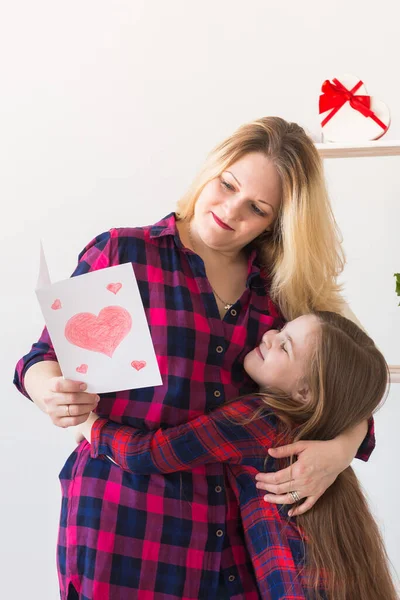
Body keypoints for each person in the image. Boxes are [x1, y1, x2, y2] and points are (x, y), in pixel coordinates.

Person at [13, 117, 375, 599]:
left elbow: (344, 393)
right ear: (213, 168)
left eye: (257, 208)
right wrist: (48, 391)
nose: (230, 210)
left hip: (240, 540)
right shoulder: (123, 253)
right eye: (227, 184)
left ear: (277, 221)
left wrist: (340, 450)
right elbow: (41, 358)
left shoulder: (286, 289)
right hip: (125, 530)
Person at [76, 311, 397, 600]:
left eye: (284, 346)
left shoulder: (256, 419)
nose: (269, 336)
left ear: (305, 392)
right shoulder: (322, 428)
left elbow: (146, 454)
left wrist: (87, 422)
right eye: (281, 329)